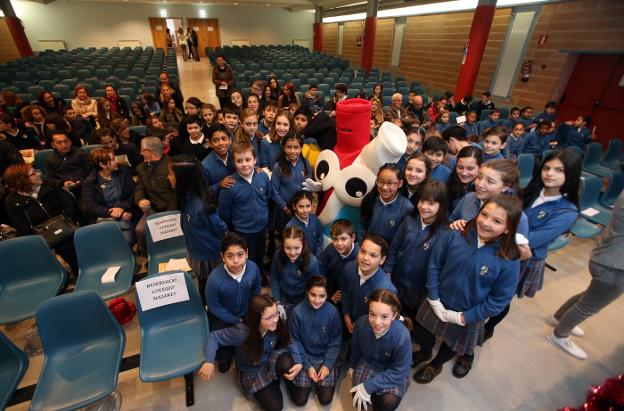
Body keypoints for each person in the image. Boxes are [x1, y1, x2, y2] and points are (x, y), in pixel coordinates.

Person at [412, 195, 521, 382]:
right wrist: (434, 296)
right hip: (435, 299)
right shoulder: (455, 234)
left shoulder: (509, 258)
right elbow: (435, 265)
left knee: (451, 344)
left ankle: (436, 365)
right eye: (484, 214)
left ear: (508, 228)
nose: (486, 223)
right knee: (423, 331)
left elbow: (500, 299)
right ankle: (425, 351)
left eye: (496, 221)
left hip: (468, 314)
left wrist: (464, 317)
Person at [547, 192, 624, 360]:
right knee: (589, 305)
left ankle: (558, 317)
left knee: (589, 296)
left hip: (607, 257)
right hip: (614, 265)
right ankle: (560, 334)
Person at [199, 294, 302, 411]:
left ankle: (276, 379)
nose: (275, 320)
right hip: (251, 370)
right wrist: (209, 361)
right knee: (276, 407)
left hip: (269, 357)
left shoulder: (276, 323)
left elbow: (289, 339)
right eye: (269, 317)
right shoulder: (241, 333)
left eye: (276, 314)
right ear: (256, 318)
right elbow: (214, 337)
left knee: (287, 362)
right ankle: (272, 381)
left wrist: (298, 361)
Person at [386, 181, 449, 320]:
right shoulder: (410, 220)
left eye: (431, 203)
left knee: (413, 316)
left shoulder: (445, 232)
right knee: (395, 309)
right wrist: (389, 268)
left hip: (420, 288)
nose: (424, 207)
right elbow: (395, 246)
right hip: (398, 279)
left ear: (441, 206)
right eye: (422, 201)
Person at [168, 154, 227, 299]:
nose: (168, 177)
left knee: (210, 287)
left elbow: (221, 229)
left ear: (182, 178)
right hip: (196, 251)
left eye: (170, 174)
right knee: (203, 284)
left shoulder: (201, 207)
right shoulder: (185, 198)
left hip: (209, 257)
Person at [3, 162, 80, 274]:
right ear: (22, 180)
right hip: (40, 236)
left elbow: (69, 203)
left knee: (68, 247)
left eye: (36, 171)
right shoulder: (12, 201)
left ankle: (79, 271)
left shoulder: (48, 185)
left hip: (64, 228)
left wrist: (63, 219)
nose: (38, 174)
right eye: (33, 174)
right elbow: (23, 227)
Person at [205, 233, 262, 372]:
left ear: (247, 253)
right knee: (223, 356)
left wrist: (250, 314)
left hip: (244, 313)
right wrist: (237, 320)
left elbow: (255, 293)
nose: (236, 261)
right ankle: (226, 354)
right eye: (230, 256)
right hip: (221, 317)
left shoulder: (253, 269)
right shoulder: (214, 280)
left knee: (250, 342)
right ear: (222, 256)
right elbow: (214, 307)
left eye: (240, 255)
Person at [349, 289, 412, 411]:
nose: (377, 322)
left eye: (384, 316)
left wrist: (368, 386)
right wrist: (352, 366)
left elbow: (399, 372)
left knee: (387, 403)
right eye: (372, 314)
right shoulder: (361, 323)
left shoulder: (402, 336)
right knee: (359, 401)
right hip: (367, 363)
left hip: (392, 371)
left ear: (394, 315)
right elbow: (355, 348)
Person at [288, 275, 342, 406]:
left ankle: (316, 380)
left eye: (322, 296)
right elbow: (294, 339)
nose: (317, 300)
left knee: (325, 399)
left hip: (325, 356)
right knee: (300, 401)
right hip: (304, 355)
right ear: (307, 292)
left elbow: (335, 340)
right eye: (313, 295)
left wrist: (327, 365)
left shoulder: (333, 312)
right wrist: (307, 366)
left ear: (327, 295)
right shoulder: (297, 312)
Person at [218, 141, 271, 270]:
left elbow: (267, 196)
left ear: (255, 160)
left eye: (248, 159)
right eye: (239, 161)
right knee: (247, 256)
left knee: (260, 252)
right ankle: (250, 275)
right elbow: (224, 211)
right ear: (234, 163)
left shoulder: (262, 176)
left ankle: (260, 272)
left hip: (262, 226)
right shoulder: (230, 185)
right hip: (243, 230)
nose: (244, 164)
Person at [341, 233, 397, 335]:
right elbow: (345, 291)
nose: (365, 258)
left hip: (368, 330)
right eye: (363, 251)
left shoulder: (385, 289)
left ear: (382, 260)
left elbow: (381, 321)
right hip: (349, 319)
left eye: (373, 255)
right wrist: (346, 314)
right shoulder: (349, 268)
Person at [80, 148, 135, 244]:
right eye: (113, 159)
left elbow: (133, 193)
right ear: (102, 164)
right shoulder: (89, 182)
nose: (116, 161)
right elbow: (90, 206)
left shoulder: (123, 171)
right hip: (104, 218)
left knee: (126, 240)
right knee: (112, 241)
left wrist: (122, 208)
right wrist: (111, 212)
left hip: (126, 213)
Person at [133, 137, 176, 256]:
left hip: (172, 210)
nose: (140, 153)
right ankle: (150, 257)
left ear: (149, 151)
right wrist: (140, 199)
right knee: (140, 231)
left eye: (142, 150)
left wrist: (169, 214)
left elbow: (178, 193)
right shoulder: (141, 168)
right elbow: (139, 188)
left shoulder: (171, 165)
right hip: (153, 209)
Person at [270, 225, 320, 316]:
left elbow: (313, 288)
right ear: (282, 246)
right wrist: (278, 302)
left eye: (297, 248)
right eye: (288, 248)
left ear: (303, 245)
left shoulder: (312, 262)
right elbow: (274, 278)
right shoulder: (277, 255)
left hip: (303, 301)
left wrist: (305, 307)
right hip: (283, 299)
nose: (292, 253)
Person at [360, 163, 414, 244]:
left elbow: (402, 239)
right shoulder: (370, 200)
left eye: (390, 183)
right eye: (381, 182)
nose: (384, 187)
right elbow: (361, 227)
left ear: (400, 184)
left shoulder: (407, 208)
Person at [270, 133, 311, 231]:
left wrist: (305, 203)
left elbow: (309, 185)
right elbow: (274, 191)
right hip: (285, 209)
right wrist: (284, 208)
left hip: (301, 207)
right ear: (284, 148)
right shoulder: (278, 167)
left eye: (296, 147)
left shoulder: (306, 163)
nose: (293, 151)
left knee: (300, 232)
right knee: (285, 233)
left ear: (301, 148)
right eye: (289, 147)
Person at [318, 219, 359, 303]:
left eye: (343, 239)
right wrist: (325, 290)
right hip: (332, 284)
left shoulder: (359, 257)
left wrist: (344, 294)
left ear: (353, 238)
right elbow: (321, 266)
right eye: (335, 239)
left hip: (349, 290)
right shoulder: (331, 249)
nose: (339, 243)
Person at [200, 124, 235, 195]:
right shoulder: (205, 165)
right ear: (210, 143)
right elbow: (203, 192)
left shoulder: (236, 156)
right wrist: (219, 185)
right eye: (215, 141)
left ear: (230, 140)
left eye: (224, 139)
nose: (221, 143)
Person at [447, 146, 483, 212]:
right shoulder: (451, 179)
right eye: (460, 167)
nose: (464, 173)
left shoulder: (482, 189)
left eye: (470, 169)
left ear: (480, 168)